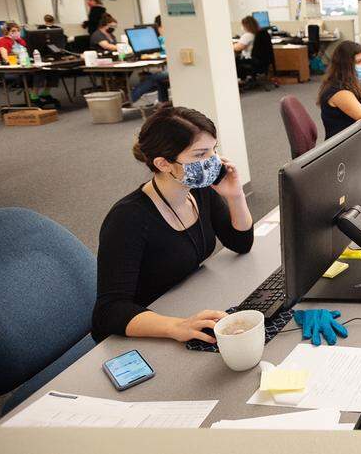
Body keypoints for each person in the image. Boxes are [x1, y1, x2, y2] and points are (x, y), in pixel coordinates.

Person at [92, 105, 254, 343]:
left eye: (214, 150)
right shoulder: (128, 219)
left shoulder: (198, 191)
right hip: (148, 328)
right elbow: (108, 313)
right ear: (163, 163)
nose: (213, 162)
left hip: (186, 301)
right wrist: (177, 326)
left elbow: (240, 242)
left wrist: (235, 196)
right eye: (200, 155)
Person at [0, 22, 60, 108]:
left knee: (53, 69)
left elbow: (29, 52)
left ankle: (46, 93)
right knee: (39, 72)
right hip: (14, 68)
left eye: (18, 30)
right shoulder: (2, 41)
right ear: (6, 31)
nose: (17, 32)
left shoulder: (20, 40)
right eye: (13, 31)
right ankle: (34, 96)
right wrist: (19, 61)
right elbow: (5, 58)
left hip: (27, 63)